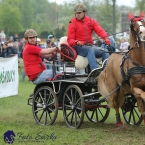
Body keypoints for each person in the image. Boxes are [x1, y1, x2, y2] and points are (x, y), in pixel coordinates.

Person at [67, 3, 110, 71]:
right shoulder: (72, 23)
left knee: (105, 51)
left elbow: (99, 29)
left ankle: (106, 71)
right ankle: (95, 71)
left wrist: (105, 38)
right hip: (78, 47)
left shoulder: (91, 21)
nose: (77, 14)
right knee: (90, 50)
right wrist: (77, 42)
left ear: (84, 12)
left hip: (90, 46)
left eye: (79, 13)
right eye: (76, 13)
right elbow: (69, 40)